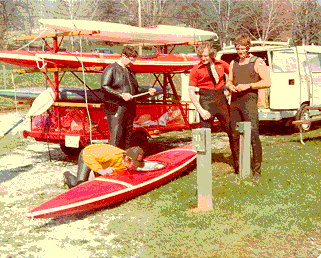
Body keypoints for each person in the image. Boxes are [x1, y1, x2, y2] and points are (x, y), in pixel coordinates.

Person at [226, 33, 271, 180]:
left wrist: (249, 85)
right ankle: (238, 166)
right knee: (234, 135)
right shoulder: (233, 63)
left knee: (253, 135)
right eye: (238, 49)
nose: (240, 51)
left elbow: (267, 82)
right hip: (235, 102)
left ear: (248, 48)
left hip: (249, 101)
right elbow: (229, 81)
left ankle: (257, 170)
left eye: (243, 49)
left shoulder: (257, 62)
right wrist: (230, 86)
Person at [188, 42, 237, 170]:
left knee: (232, 131)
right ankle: (203, 166)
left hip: (221, 100)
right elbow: (191, 92)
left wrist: (229, 89)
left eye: (206, 56)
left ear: (211, 54)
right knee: (204, 135)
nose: (203, 58)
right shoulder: (195, 69)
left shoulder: (221, 64)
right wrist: (200, 110)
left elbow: (234, 75)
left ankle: (238, 162)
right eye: (201, 56)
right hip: (206, 101)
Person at [101, 46, 156, 150]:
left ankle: (126, 160)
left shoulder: (131, 71)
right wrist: (121, 95)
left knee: (127, 137)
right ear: (123, 56)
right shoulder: (111, 69)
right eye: (131, 60)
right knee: (117, 136)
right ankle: (114, 160)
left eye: (134, 60)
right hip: (116, 108)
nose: (132, 62)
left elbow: (136, 89)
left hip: (129, 108)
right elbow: (104, 87)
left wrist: (147, 91)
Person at [63, 143, 145, 188]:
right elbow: (88, 156)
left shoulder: (127, 163)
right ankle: (66, 174)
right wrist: (101, 171)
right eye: (134, 164)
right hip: (88, 154)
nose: (136, 167)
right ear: (127, 159)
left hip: (103, 163)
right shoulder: (112, 155)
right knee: (79, 187)